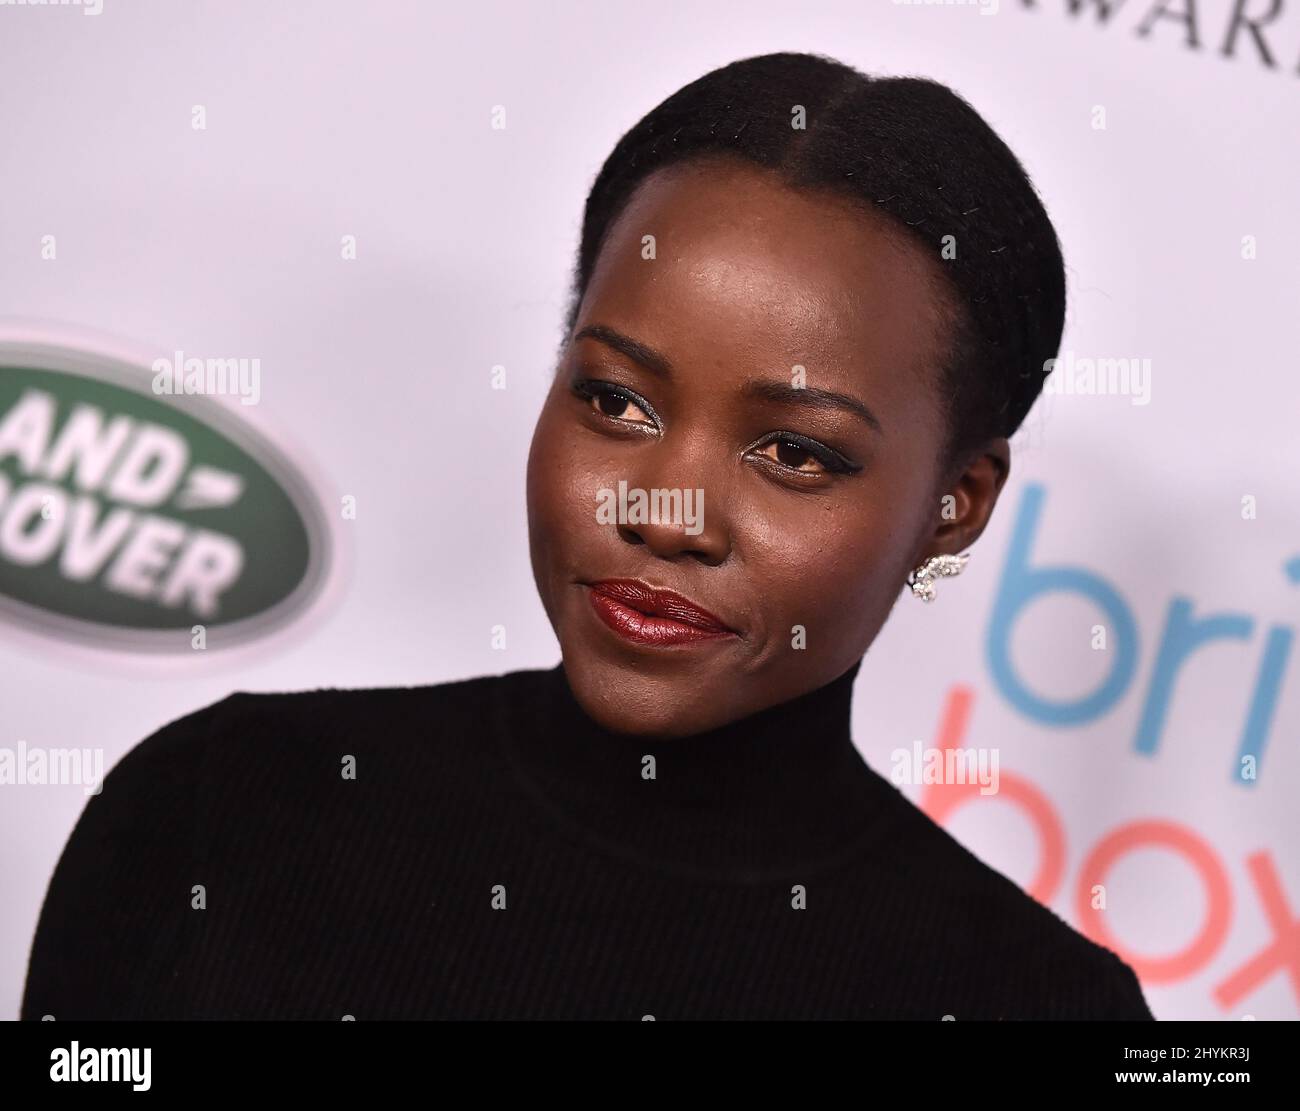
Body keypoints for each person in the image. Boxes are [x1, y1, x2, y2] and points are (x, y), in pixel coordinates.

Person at [22, 51, 1154, 1020]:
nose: (665, 512)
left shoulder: (1035, 1005)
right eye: (618, 400)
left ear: (953, 502)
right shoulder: (219, 810)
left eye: (794, 453)